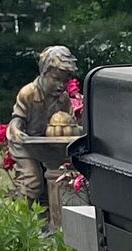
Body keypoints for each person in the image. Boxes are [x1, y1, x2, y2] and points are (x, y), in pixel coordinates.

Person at [4, 46, 81, 228]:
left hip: (49, 144)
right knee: (32, 181)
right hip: (25, 142)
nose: (61, 85)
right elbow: (17, 121)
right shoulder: (28, 93)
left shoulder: (63, 100)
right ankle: (17, 223)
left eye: (65, 81)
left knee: (56, 181)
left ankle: (48, 222)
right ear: (44, 73)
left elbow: (68, 125)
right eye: (55, 79)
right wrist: (17, 132)